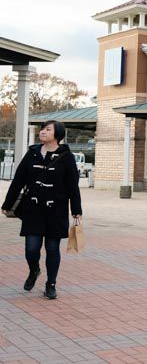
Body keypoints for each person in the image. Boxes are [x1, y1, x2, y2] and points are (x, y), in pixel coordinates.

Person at [1, 120, 82, 300]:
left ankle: (51, 283)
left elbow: (73, 187)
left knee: (53, 248)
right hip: (33, 209)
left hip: (56, 210)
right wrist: (7, 204)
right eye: (43, 129)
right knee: (31, 248)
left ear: (57, 135)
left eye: (48, 129)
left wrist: (76, 210)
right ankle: (34, 270)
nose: (43, 132)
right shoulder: (32, 154)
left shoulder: (66, 156)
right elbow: (18, 181)